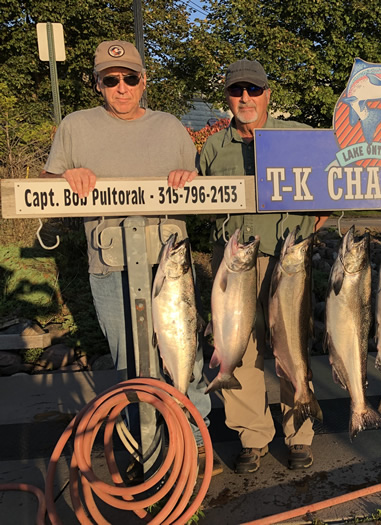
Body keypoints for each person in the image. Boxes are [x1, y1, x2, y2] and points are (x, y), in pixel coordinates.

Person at [42, 40, 220, 475]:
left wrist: (191, 175)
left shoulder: (170, 127)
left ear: (144, 82)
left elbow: (200, 186)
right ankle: (147, 447)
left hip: (169, 267)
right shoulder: (75, 126)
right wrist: (66, 176)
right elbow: (44, 191)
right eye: (111, 79)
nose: (121, 87)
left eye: (130, 78)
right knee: (130, 364)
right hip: (109, 267)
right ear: (99, 84)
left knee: (185, 356)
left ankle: (194, 441)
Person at [199, 59, 327, 473]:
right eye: (237, 91)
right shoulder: (214, 147)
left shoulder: (301, 137)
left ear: (268, 94)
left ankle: (299, 432)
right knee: (239, 350)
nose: (246, 99)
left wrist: (317, 219)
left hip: (288, 260)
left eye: (254, 90)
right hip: (234, 263)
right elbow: (198, 202)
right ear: (227, 97)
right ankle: (252, 436)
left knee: (292, 344)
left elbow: (334, 187)